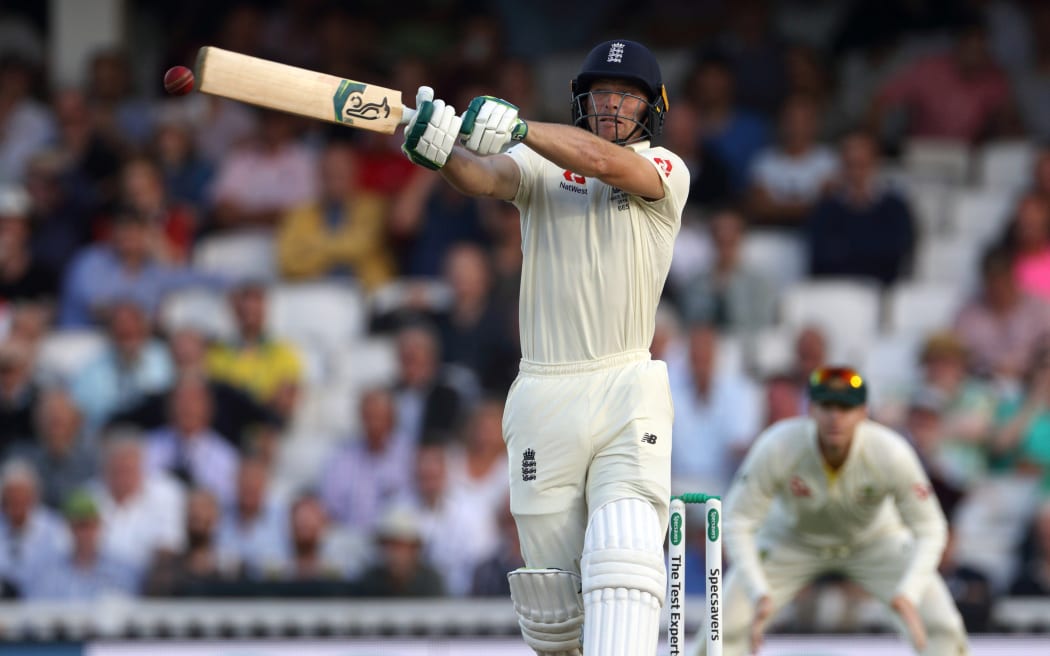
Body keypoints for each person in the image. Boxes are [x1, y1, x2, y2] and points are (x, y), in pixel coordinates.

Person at [400, 39, 689, 655]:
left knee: (624, 555)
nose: (612, 108)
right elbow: (484, 175)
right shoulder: (540, 167)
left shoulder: (664, 170)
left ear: (652, 108)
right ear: (583, 102)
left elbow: (608, 164)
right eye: (602, 96)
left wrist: (523, 127)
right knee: (557, 615)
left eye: (627, 98)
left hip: (626, 387)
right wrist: (442, 151)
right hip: (543, 394)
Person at [691, 366, 970, 656]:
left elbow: (931, 528)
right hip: (791, 540)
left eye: (845, 407)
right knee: (722, 629)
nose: (835, 417)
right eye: (826, 406)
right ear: (811, 409)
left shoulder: (890, 452)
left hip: (874, 542)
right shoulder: (779, 446)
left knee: (942, 628)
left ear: (863, 412)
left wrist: (908, 593)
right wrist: (758, 590)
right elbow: (738, 520)